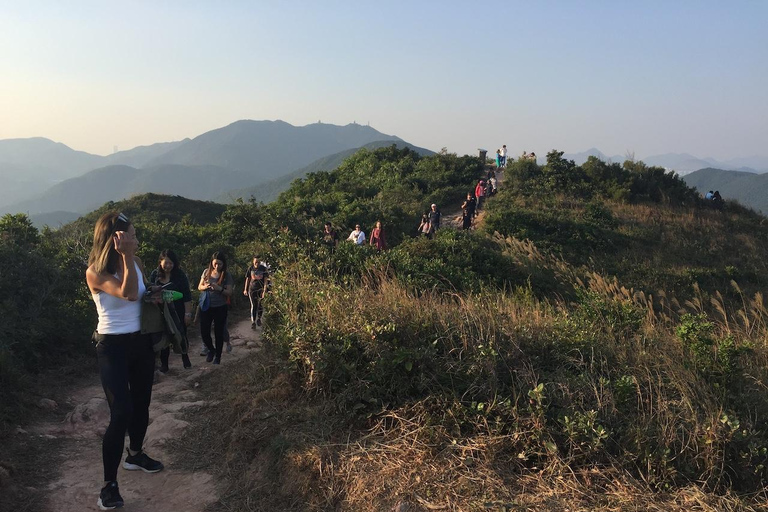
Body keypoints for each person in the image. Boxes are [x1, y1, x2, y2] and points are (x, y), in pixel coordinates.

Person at [86, 212, 164, 510]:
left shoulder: (137, 262)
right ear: (116, 238)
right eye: (132, 234)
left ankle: (135, 454)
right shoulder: (95, 271)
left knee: (142, 403)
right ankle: (108, 485)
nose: (136, 238)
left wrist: (154, 294)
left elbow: (141, 294)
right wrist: (127, 256)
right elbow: (129, 293)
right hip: (112, 347)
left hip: (141, 342)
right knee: (121, 412)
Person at [149, 249, 192, 373]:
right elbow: (150, 292)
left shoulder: (180, 275)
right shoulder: (155, 275)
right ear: (160, 262)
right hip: (160, 311)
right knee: (164, 338)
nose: (168, 266)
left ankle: (184, 355)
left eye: (171, 263)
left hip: (177, 310)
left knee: (180, 333)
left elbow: (186, 295)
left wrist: (187, 313)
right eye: (166, 263)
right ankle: (164, 364)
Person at [197, 252, 233, 365]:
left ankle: (218, 356)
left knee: (219, 332)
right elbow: (199, 286)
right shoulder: (206, 272)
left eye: (220, 264)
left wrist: (219, 288)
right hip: (207, 306)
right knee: (204, 332)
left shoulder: (226, 275)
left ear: (224, 264)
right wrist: (206, 286)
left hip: (220, 307)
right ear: (212, 262)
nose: (217, 266)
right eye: (216, 263)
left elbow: (229, 292)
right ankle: (211, 350)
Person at [243, 255, 269, 328]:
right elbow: (247, 279)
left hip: (260, 289)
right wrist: (245, 289)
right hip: (252, 289)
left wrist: (264, 290)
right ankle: (253, 322)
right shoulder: (250, 268)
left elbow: (265, 280)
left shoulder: (263, 269)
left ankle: (259, 319)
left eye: (258, 262)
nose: (256, 264)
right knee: (254, 305)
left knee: (260, 305)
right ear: (253, 262)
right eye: (255, 262)